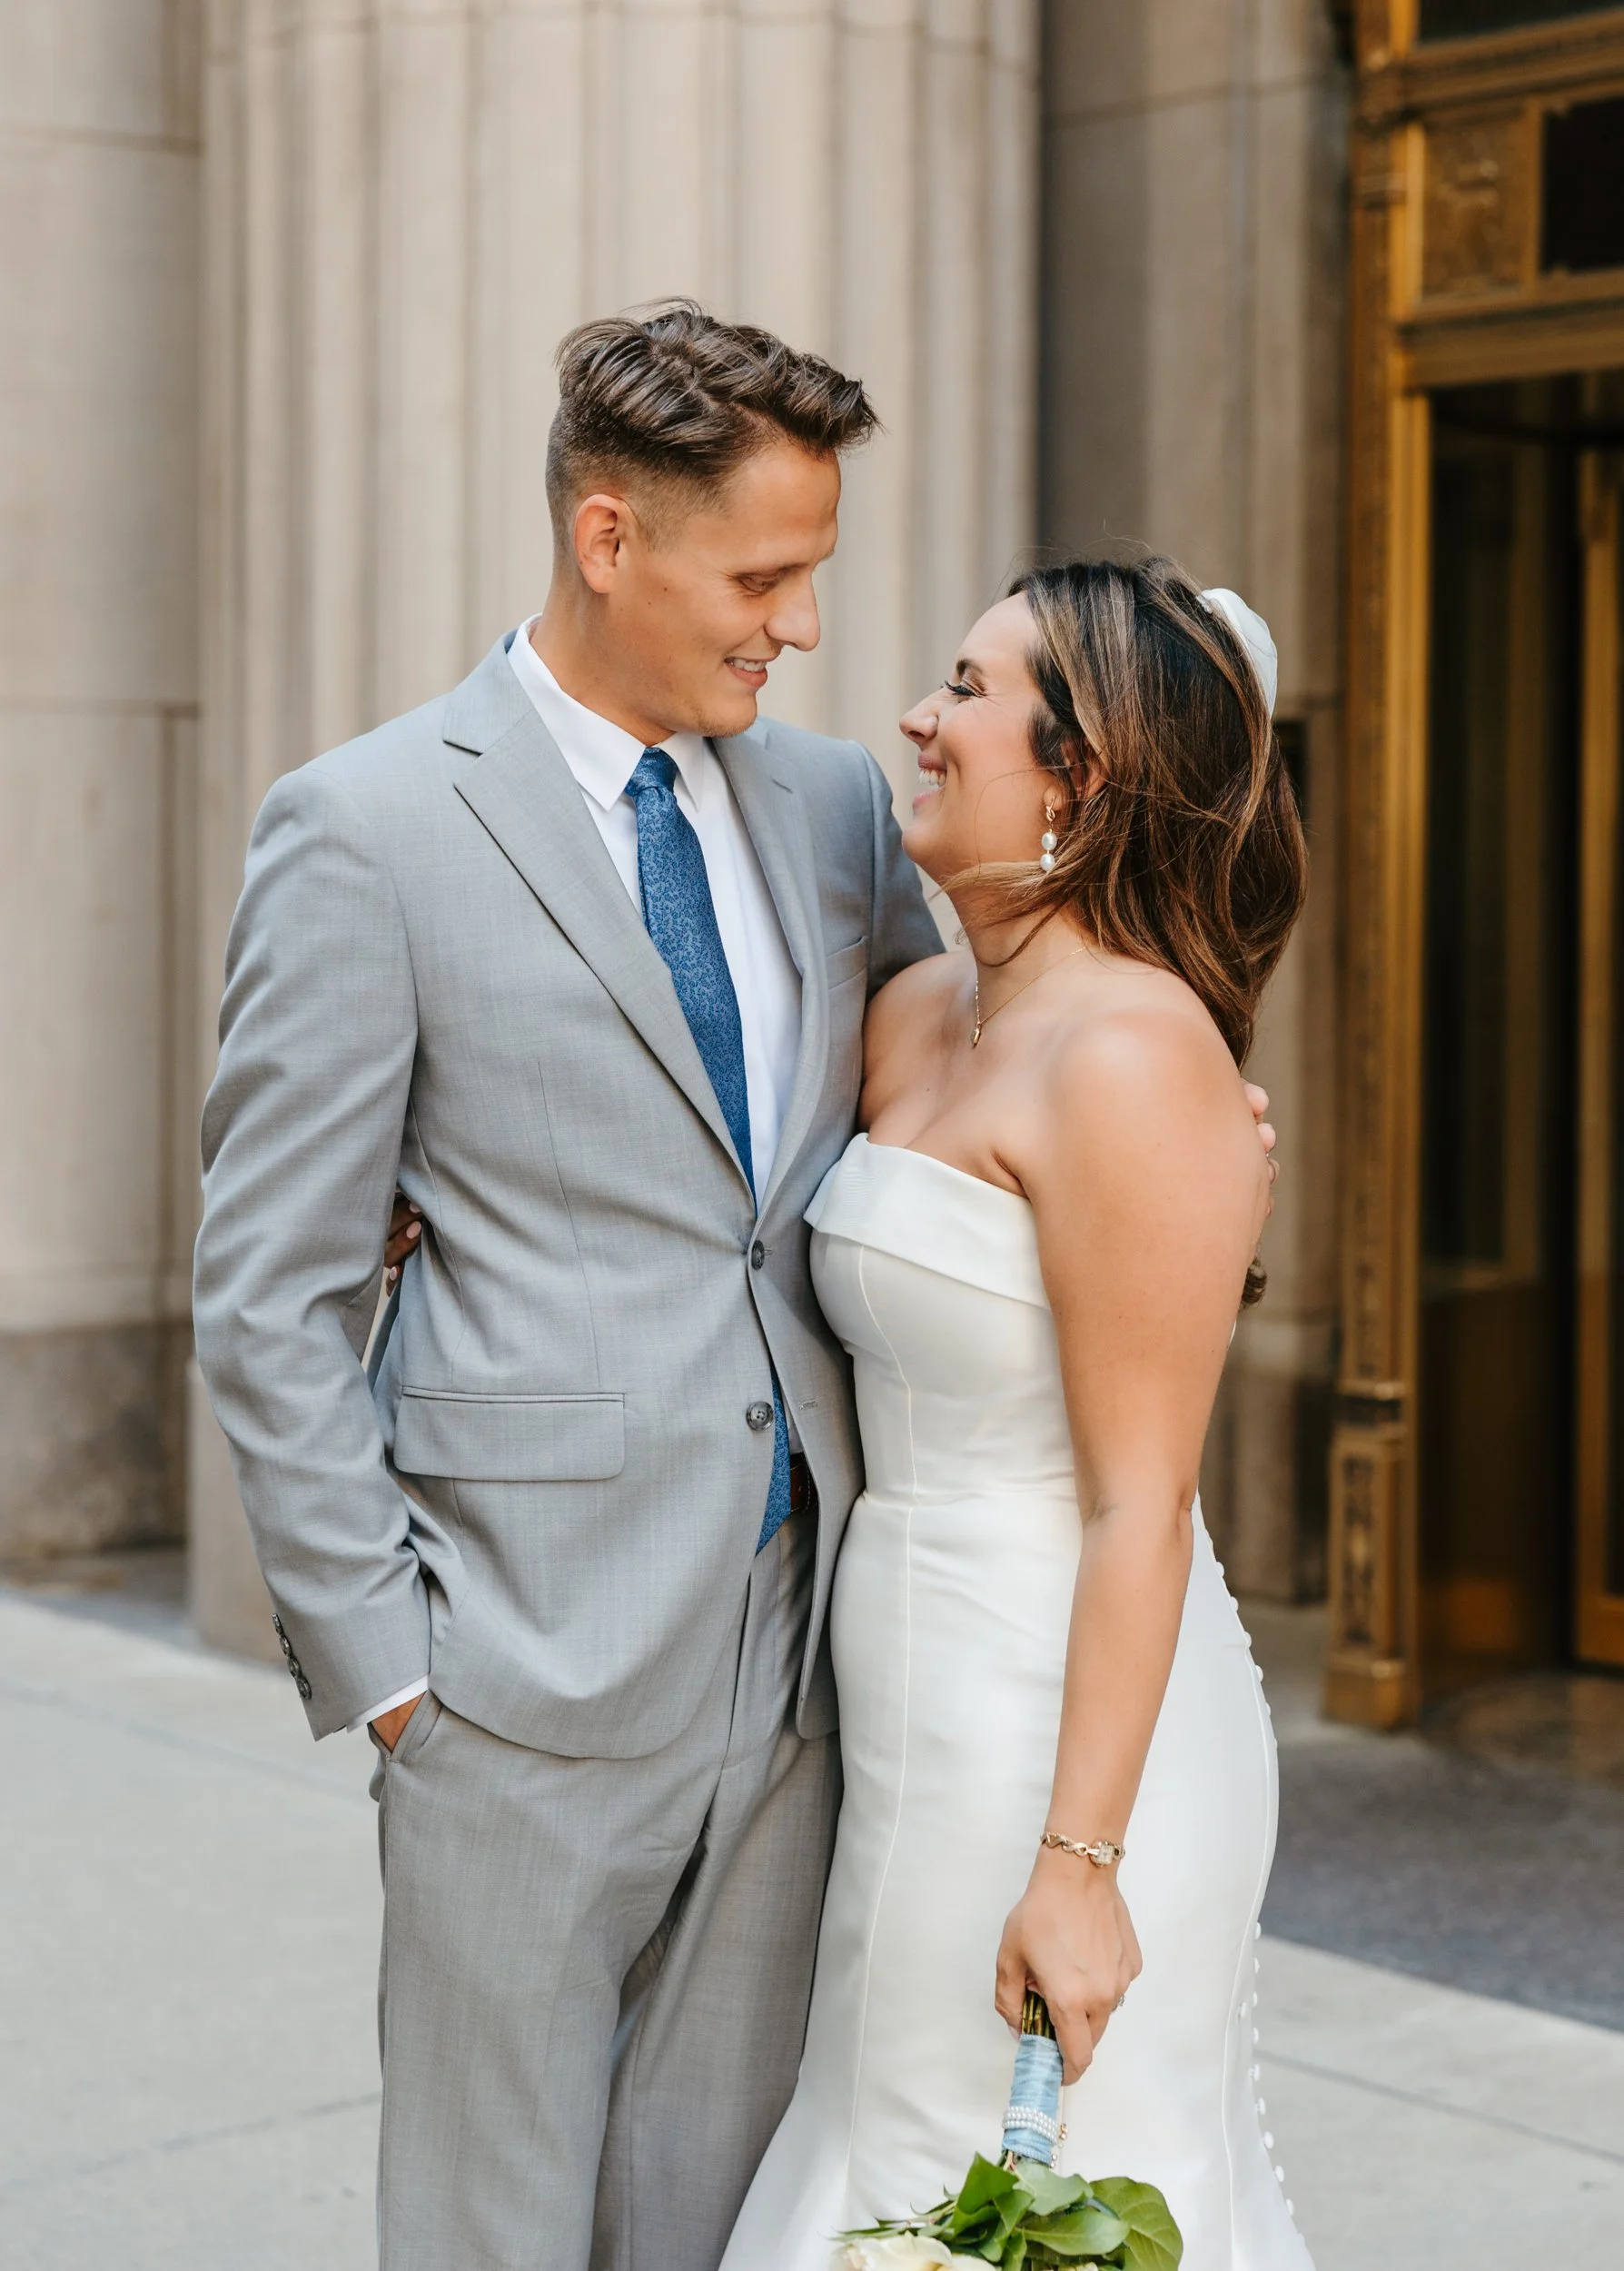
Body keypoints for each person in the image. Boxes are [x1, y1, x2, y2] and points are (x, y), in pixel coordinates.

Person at [192, 302, 944, 2271]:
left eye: (814, 575)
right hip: (510, 1683)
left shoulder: (840, 811)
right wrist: (392, 1672)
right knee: (489, 2232)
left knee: (701, 2220)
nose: (797, 625)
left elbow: (971, 1088)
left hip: (790, 1679)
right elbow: (269, 1287)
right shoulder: (363, 828)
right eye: (763, 575)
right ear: (610, 538)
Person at [715, 559, 1315, 2270]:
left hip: (1070, 1720)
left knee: (1006, 2176)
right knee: (881, 2139)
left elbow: (1145, 1503)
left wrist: (1080, 1861)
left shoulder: (1137, 1060)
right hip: (907, 1690)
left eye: (970, 690)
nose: (918, 713)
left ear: (1086, 772)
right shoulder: (915, 1013)